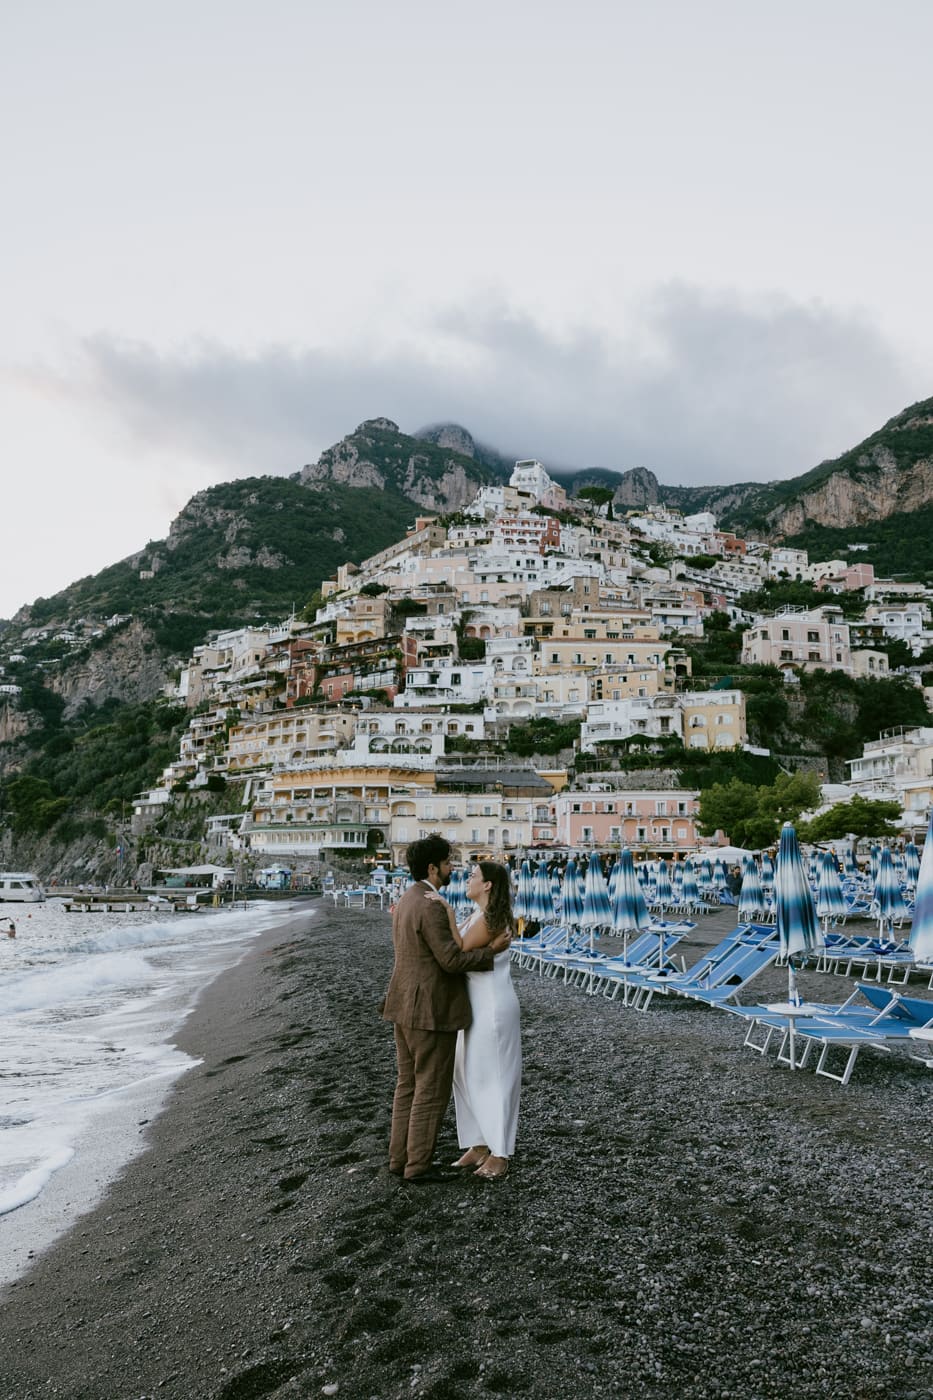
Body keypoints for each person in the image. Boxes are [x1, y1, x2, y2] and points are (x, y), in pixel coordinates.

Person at [382, 835, 511, 1184]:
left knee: (406, 1084)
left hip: (402, 1004)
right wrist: (493, 951)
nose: (452, 868)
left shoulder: (407, 899)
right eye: (448, 862)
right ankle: (417, 1166)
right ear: (432, 867)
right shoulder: (432, 905)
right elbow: (452, 960)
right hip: (430, 1011)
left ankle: (399, 1159)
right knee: (430, 1088)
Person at [435, 861, 521, 1182]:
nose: (467, 879)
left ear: (488, 886)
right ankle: (478, 1143)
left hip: (493, 1007)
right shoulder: (476, 916)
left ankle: (500, 1152)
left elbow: (458, 951)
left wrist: (444, 909)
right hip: (474, 1005)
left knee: (495, 1075)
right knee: (465, 1071)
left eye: (473, 876)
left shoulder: (492, 919)